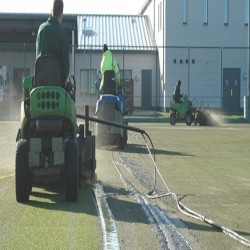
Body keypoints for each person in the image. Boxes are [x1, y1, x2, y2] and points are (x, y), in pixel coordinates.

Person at [36, 0, 69, 84]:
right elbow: (66, 65)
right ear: (61, 13)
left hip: (40, 83)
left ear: (51, 11)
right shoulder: (62, 34)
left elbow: (37, 56)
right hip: (57, 84)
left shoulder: (41, 29)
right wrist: (63, 82)